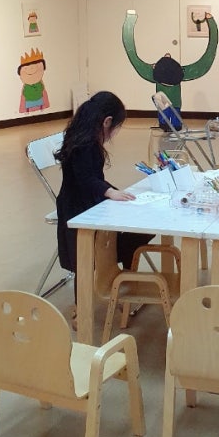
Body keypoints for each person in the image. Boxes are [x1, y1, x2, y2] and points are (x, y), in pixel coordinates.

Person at [56, 91, 152, 319]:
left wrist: (112, 191)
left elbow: (93, 179)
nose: (115, 133)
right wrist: (109, 192)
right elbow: (85, 179)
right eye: (116, 127)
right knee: (86, 256)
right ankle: (82, 309)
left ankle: (123, 284)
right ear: (107, 121)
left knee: (138, 231)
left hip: (88, 199)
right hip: (77, 207)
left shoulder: (84, 136)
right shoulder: (84, 143)